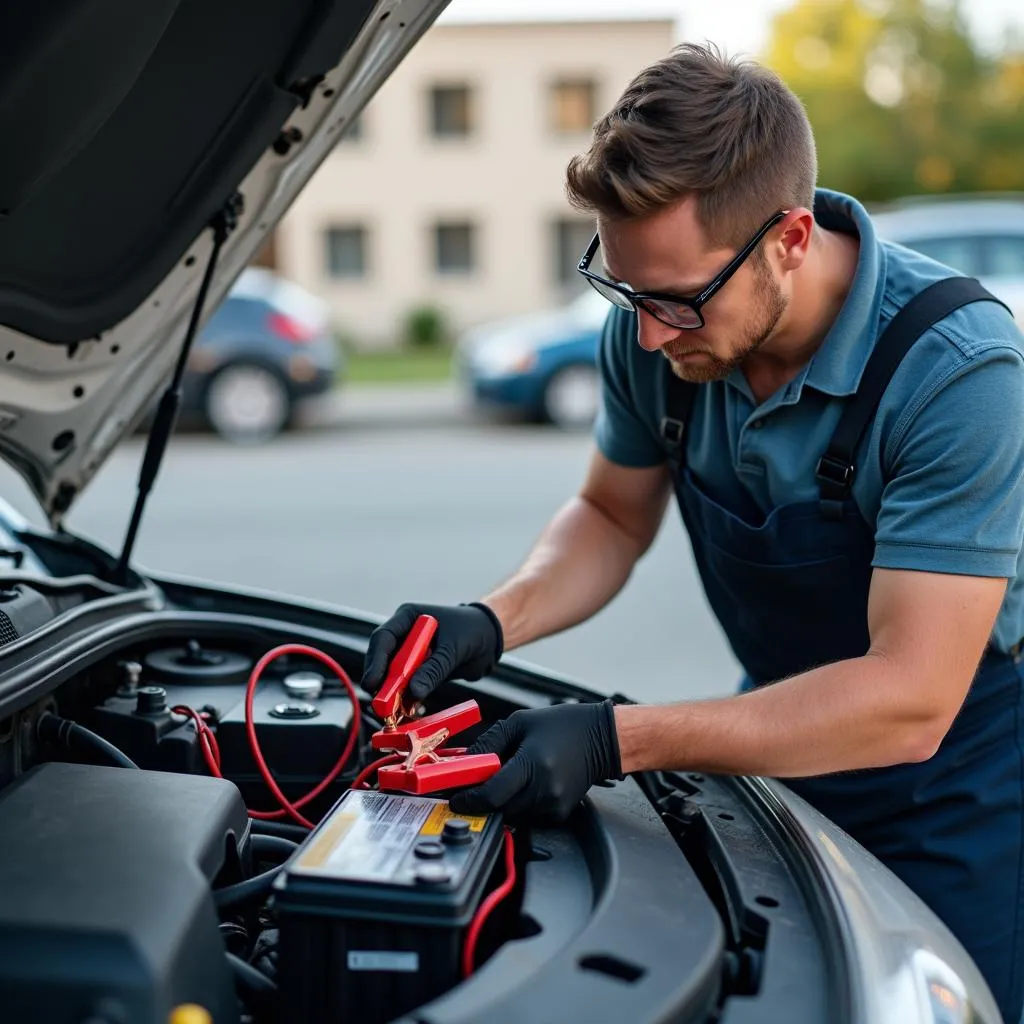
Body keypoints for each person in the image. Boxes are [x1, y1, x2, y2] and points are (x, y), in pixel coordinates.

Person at [361, 43, 1024, 1021]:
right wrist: (489, 620)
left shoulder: (958, 379)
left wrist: (617, 739)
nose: (646, 338)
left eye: (675, 300)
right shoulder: (657, 331)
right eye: (623, 292)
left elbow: (907, 696)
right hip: (779, 742)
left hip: (952, 791)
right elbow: (609, 515)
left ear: (789, 240)